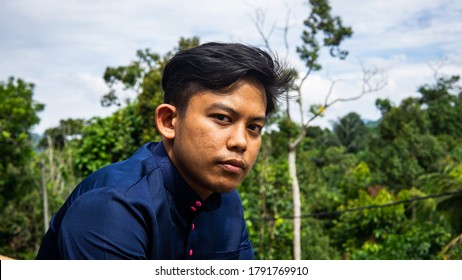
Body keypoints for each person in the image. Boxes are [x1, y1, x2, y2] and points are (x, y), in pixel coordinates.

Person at [36, 42, 294, 260]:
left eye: (254, 126)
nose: (241, 141)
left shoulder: (227, 203)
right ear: (169, 121)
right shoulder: (111, 206)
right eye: (222, 118)